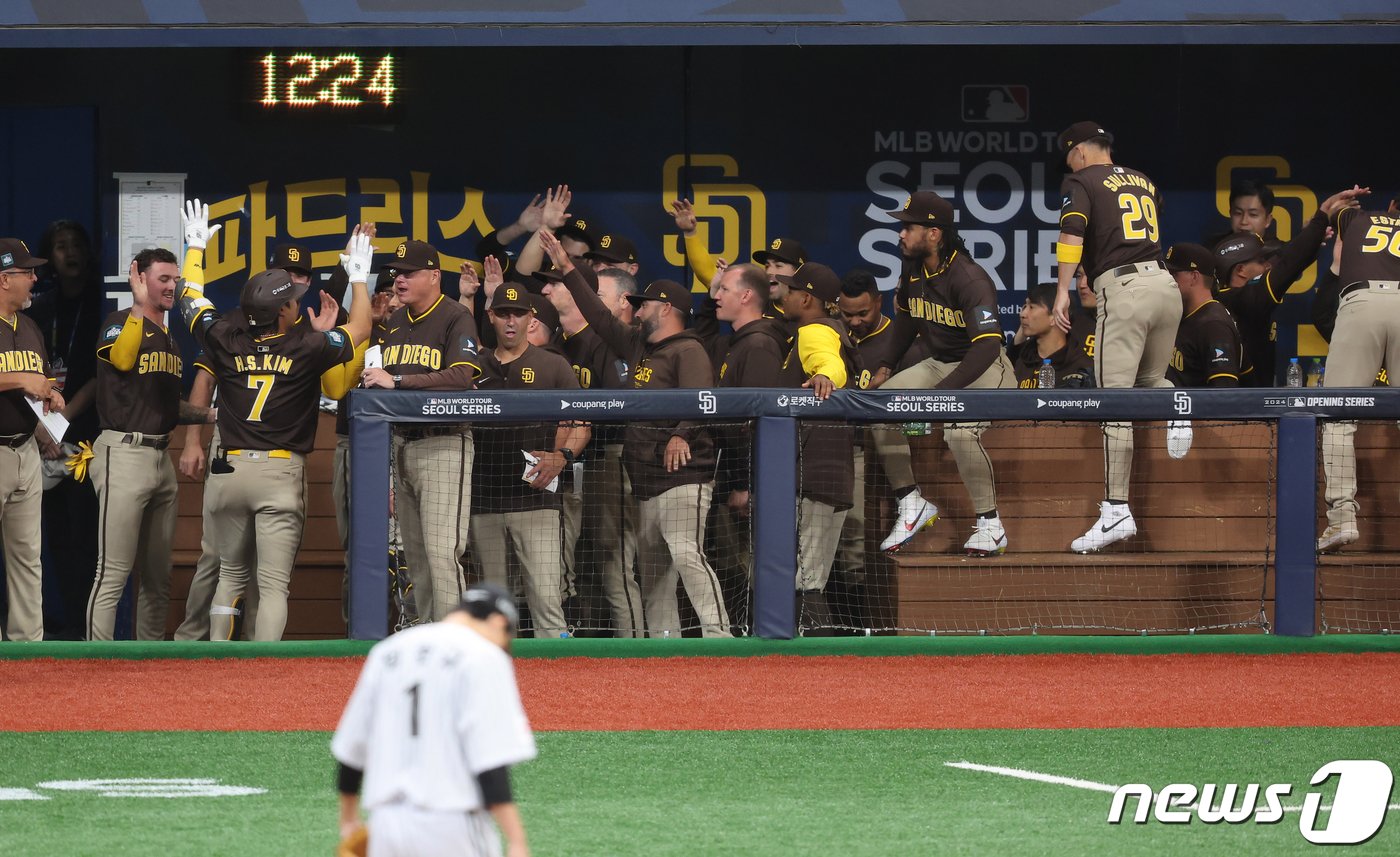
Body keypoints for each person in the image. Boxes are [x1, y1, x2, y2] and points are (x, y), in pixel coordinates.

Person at [177, 202, 371, 641]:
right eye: (290, 300)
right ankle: (261, 671)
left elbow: (191, 297)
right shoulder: (307, 345)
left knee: (229, 575)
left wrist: (194, 247)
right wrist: (358, 275)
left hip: (229, 470)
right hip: (279, 473)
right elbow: (360, 327)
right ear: (283, 310)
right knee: (272, 585)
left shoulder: (224, 335)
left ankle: (220, 661)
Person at [543, 228, 731, 638]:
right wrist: (567, 269)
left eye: (643, 306)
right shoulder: (637, 346)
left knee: (686, 555)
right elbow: (598, 315)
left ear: (665, 309)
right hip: (646, 479)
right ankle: (666, 647)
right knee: (654, 572)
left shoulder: (688, 349)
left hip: (684, 476)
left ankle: (720, 636)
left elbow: (702, 400)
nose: (636, 310)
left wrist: (682, 434)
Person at [1051, 121, 1181, 554]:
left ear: (1081, 152)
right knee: (1148, 384)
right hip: (1165, 287)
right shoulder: (1141, 179)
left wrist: (1062, 291)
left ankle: (1116, 509)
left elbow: (1072, 233)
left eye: (1069, 155)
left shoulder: (1081, 178)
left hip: (1126, 291)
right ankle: (1175, 402)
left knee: (1114, 400)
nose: (1068, 164)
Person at [332, 582, 535, 857]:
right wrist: (516, 840)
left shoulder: (388, 651)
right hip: (452, 823)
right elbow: (490, 762)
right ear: (499, 622)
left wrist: (348, 818)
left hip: (387, 825)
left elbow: (352, 749)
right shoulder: (484, 656)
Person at [871, 191, 1016, 558]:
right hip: (940, 362)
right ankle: (911, 501)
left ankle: (990, 524)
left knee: (960, 432)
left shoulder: (969, 278)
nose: (901, 234)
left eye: (908, 227)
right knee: (879, 409)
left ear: (934, 233)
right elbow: (906, 318)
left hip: (986, 366)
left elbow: (985, 346)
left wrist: (940, 396)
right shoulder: (913, 268)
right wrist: (886, 365)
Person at [86, 249, 213, 641]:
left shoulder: (170, 339)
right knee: (112, 573)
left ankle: (150, 664)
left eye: (175, 279)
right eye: (163, 279)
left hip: (160, 457)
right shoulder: (119, 322)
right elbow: (123, 361)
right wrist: (138, 307)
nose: (172, 285)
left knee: (158, 576)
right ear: (139, 278)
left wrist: (208, 416)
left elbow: (164, 405)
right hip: (122, 452)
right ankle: (93, 666)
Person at [362, 239, 482, 623]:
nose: (400, 279)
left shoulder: (454, 316)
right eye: (397, 272)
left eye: (410, 273)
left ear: (434, 275)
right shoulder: (393, 322)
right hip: (401, 445)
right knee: (415, 556)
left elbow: (463, 376)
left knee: (441, 552)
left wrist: (398, 383)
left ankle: (459, 644)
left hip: (444, 444)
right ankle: (431, 638)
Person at [470, 284, 588, 639]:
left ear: (529, 318)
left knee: (546, 602)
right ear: (490, 316)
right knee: (493, 609)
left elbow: (582, 422)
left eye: (518, 313)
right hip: (484, 499)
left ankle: (556, 690)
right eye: (503, 313)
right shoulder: (474, 367)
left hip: (537, 498)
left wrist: (562, 456)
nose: (510, 321)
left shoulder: (552, 365)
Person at [26, 219, 103, 638]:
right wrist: (43, 429)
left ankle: (81, 630)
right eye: (59, 246)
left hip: (82, 439)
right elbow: (25, 373)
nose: (69, 252)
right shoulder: (40, 307)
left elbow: (96, 376)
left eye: (76, 244)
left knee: (84, 540)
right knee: (48, 540)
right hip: (40, 438)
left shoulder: (99, 304)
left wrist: (60, 425)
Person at [775, 262, 861, 630]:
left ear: (806, 297)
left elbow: (829, 362)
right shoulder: (838, 330)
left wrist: (825, 374)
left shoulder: (814, 330)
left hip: (812, 472)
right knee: (810, 577)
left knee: (804, 580)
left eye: (791, 290)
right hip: (830, 472)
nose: (785, 295)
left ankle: (812, 668)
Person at [1211, 188, 1357, 385]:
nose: (1267, 264)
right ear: (1241, 270)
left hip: (1254, 398)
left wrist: (1311, 236)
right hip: (1238, 405)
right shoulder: (1244, 299)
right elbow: (1287, 264)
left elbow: (1283, 258)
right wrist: (1321, 215)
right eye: (1261, 260)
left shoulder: (1238, 292)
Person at [710, 262, 787, 626]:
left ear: (746, 295)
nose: (715, 295)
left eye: (724, 289)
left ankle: (771, 654)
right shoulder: (737, 341)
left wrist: (745, 484)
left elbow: (753, 424)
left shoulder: (759, 344)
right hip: (736, 477)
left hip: (753, 484)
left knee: (754, 569)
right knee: (736, 566)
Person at [1319, 188, 1392, 554]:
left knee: (1337, 416)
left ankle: (1342, 519)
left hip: (1362, 301)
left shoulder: (1355, 219)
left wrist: (1341, 203)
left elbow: (1335, 213)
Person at [0, 237, 64, 642]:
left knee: (28, 558)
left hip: (24, 448)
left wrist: (51, 395)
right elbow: (26, 378)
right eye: (27, 273)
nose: (35, 278)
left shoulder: (31, 327)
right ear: (5, 279)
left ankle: (28, 649)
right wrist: (22, 379)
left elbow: (41, 379)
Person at [1163, 244, 1244, 389]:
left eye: (1173, 275)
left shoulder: (1214, 325)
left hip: (1197, 410)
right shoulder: (1185, 314)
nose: (1167, 281)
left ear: (1194, 277)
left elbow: (1224, 391)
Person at [1009, 282, 1095, 388]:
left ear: (1056, 316)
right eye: (1025, 306)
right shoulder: (1022, 360)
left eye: (1031, 307)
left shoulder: (1081, 367)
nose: (1022, 314)